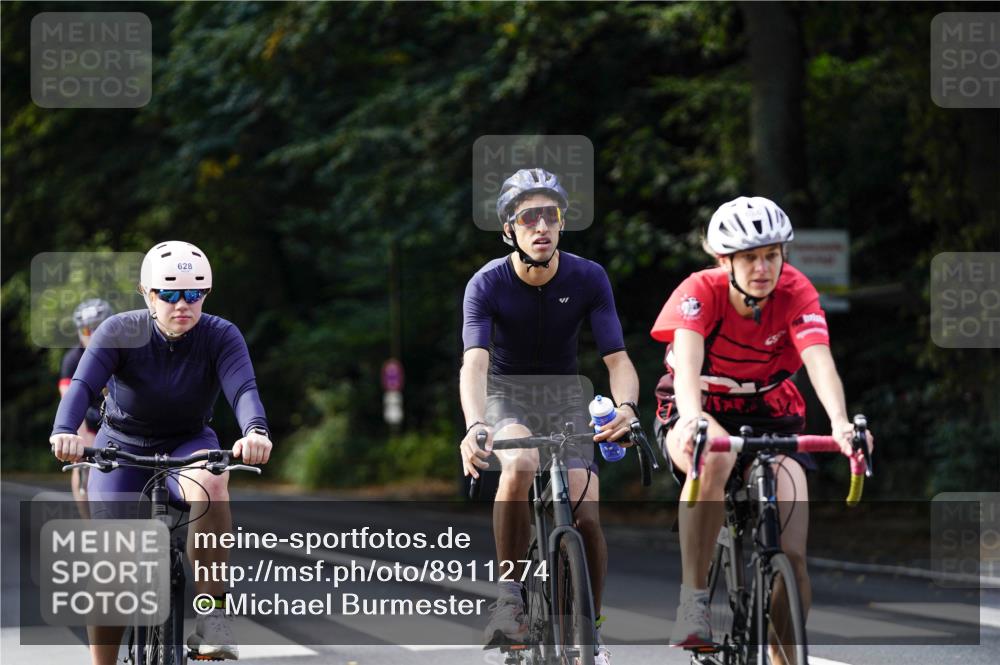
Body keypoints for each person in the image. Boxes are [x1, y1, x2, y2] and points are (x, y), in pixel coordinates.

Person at [650, 196, 874, 659]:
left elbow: (819, 362)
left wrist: (839, 424)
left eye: (771, 255)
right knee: (713, 452)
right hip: (700, 404)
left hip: (770, 413)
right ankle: (693, 604)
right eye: (750, 257)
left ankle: (783, 653)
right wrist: (692, 420)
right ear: (724, 260)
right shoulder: (699, 291)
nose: (762, 267)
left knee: (792, 553)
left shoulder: (796, 291)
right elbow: (687, 369)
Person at [49, 240, 273, 664]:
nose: (182, 304)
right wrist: (66, 432)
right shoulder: (119, 331)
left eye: (194, 293)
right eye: (169, 293)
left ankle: (213, 617)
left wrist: (255, 431)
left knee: (211, 482)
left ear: (206, 292)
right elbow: (79, 387)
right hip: (121, 445)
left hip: (190, 441)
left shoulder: (221, 335)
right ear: (147, 293)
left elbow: (243, 389)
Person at [459, 168, 641, 665]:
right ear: (509, 230)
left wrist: (626, 408)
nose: (541, 226)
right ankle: (510, 599)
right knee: (518, 466)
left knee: (586, 514)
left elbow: (617, 360)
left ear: (561, 223)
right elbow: (474, 363)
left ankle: (591, 633)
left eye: (550, 216)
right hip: (507, 397)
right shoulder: (487, 284)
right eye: (528, 217)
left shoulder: (588, 276)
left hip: (565, 399)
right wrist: (476, 423)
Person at [60, 298, 114, 519]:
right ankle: (88, 522)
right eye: (85, 330)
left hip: (120, 417)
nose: (91, 334)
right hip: (89, 420)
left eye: (98, 328)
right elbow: (69, 401)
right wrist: (78, 438)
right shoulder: (72, 359)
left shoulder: (123, 352)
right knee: (82, 464)